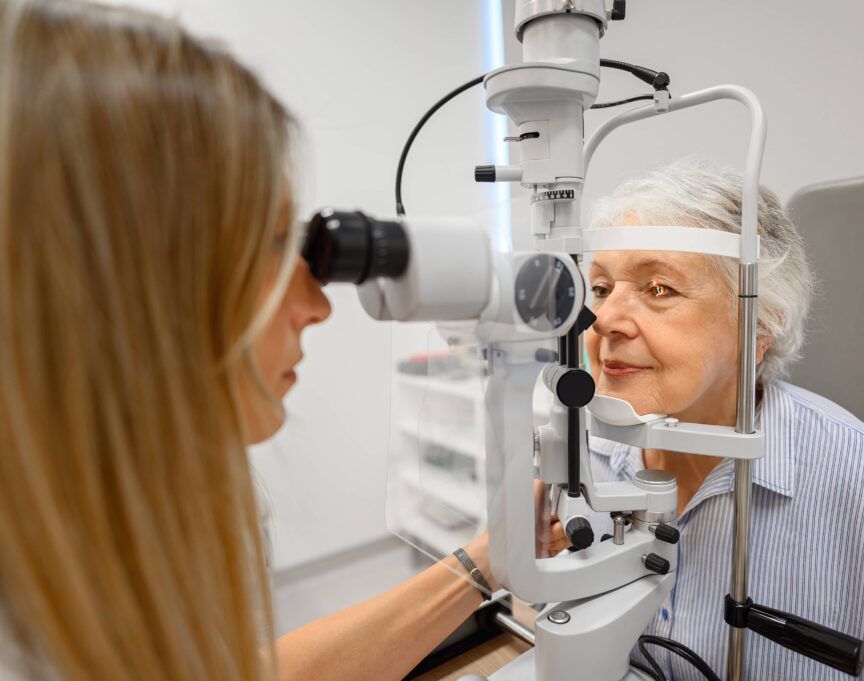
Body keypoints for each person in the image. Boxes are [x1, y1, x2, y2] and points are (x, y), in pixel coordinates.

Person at [0, 1, 507, 678]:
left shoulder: (148, 507)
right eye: (271, 242)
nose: (316, 307)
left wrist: (484, 564)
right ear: (130, 279)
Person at [583, 159, 864, 679]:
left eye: (659, 289)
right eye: (601, 288)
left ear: (759, 329)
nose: (603, 320)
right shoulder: (578, 456)